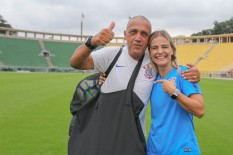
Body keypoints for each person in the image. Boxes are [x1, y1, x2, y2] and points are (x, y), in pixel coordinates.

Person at [70, 15, 200, 135]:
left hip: (135, 141)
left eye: (144, 34)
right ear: (125, 35)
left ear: (148, 39)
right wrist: (91, 42)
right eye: (133, 32)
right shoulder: (111, 55)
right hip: (105, 136)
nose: (138, 38)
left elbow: (172, 66)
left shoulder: (154, 60)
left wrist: (193, 73)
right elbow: (76, 63)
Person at [146, 30, 205, 155]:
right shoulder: (150, 80)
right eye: (155, 48)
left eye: (164, 47)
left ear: (172, 50)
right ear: (150, 53)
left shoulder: (183, 73)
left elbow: (200, 110)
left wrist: (174, 92)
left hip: (183, 154)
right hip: (154, 154)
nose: (160, 51)